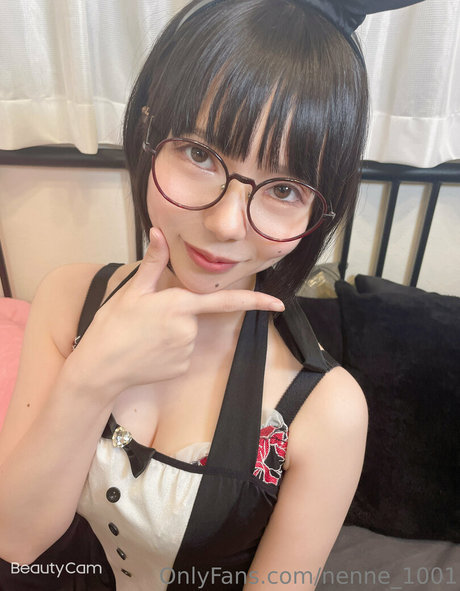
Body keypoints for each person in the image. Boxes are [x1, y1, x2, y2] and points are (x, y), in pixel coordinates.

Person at [0, 0, 421, 589]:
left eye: (284, 189)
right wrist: (90, 377)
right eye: (200, 153)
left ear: (318, 212)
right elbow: (15, 540)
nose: (225, 224)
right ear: (147, 133)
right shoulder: (69, 298)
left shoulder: (326, 410)